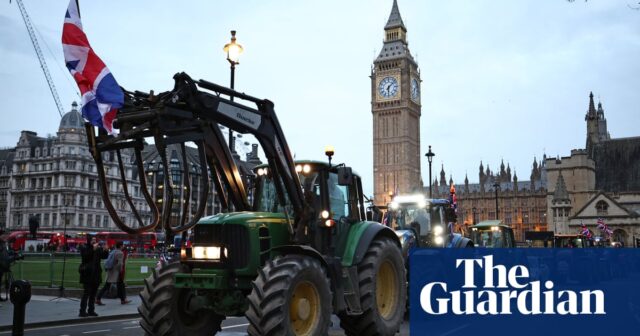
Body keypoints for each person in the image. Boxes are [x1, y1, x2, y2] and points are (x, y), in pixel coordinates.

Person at [78, 235, 108, 317]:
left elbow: (104, 256)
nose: (94, 241)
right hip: (87, 273)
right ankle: (82, 311)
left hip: (96, 273)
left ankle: (91, 310)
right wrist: (93, 249)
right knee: (86, 293)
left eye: (95, 240)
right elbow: (85, 257)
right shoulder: (84, 247)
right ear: (89, 240)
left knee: (93, 294)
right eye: (92, 240)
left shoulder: (97, 248)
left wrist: (106, 250)